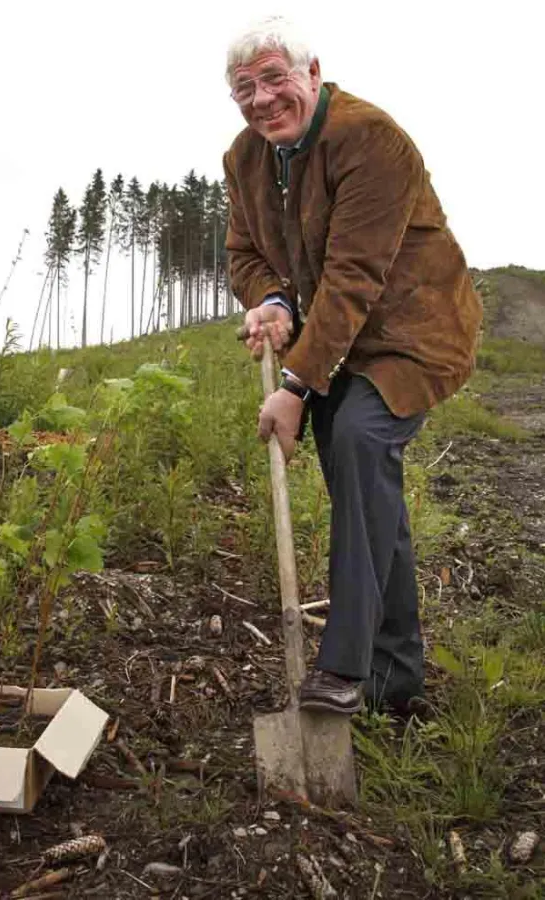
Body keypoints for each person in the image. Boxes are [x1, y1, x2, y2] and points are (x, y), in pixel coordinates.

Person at [223, 16, 482, 715]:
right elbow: (244, 254)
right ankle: (397, 688)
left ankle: (346, 666)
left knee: (361, 440)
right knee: (367, 498)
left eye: (274, 78)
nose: (260, 99)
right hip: (333, 340)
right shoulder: (243, 159)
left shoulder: (370, 139)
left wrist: (293, 386)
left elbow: (352, 275)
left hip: (408, 333)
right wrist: (272, 300)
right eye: (243, 88)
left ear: (311, 74)